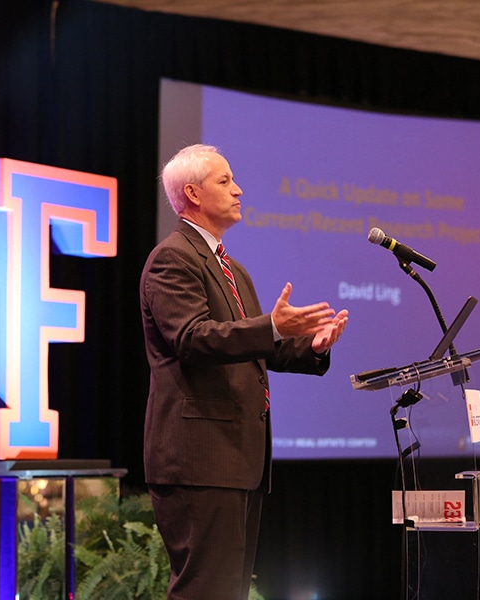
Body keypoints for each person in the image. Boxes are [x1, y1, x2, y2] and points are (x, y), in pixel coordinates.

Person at [140, 144, 349, 600]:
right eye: (225, 181)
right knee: (205, 592)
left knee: (228, 592)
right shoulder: (172, 259)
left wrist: (310, 346)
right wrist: (272, 325)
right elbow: (193, 338)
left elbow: (259, 349)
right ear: (192, 193)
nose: (238, 190)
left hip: (237, 460)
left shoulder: (234, 269)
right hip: (200, 459)